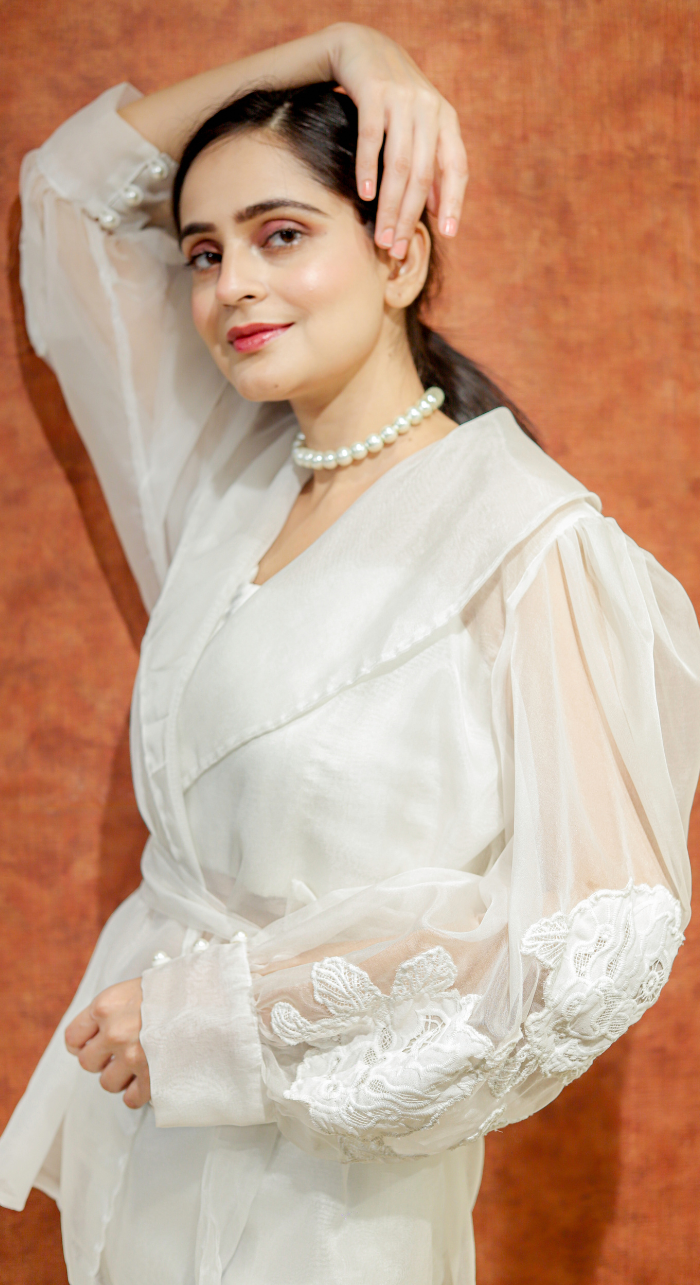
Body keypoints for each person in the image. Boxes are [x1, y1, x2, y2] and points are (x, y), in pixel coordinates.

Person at [1, 21, 699, 1285]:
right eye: (203, 251)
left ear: (400, 252)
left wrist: (213, 1025)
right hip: (147, 1146)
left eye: (281, 234)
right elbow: (67, 194)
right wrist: (340, 46)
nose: (230, 286)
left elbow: (595, 936)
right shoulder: (224, 491)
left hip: (335, 1203)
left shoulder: (531, 542)